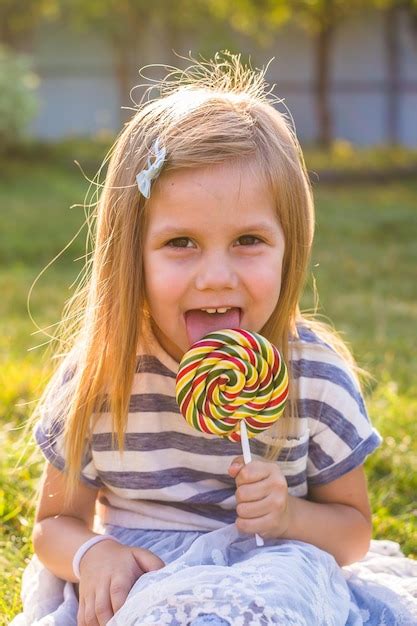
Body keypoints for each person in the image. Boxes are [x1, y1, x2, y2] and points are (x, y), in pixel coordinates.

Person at [13, 53, 386, 625]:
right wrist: (95, 554)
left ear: (292, 249)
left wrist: (290, 518)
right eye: (181, 242)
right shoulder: (100, 375)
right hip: (141, 580)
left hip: (273, 572)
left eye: (248, 240)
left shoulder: (313, 376)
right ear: (129, 254)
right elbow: (52, 527)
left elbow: (353, 534)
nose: (215, 275)